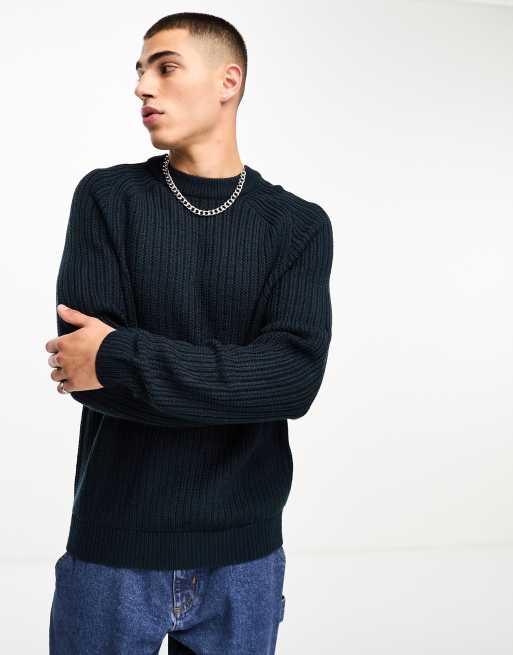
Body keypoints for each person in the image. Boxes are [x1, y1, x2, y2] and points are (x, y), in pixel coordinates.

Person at [46, 11, 333, 655]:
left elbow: (293, 380)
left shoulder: (298, 226)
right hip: (112, 549)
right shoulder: (107, 198)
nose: (143, 87)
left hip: (245, 558)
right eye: (140, 71)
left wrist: (122, 353)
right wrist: (241, 377)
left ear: (229, 81)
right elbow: (83, 372)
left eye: (166, 67)